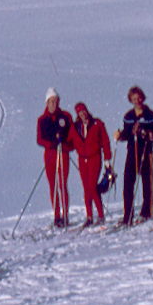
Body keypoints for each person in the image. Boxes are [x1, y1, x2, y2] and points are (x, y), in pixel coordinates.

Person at [114, 86, 153, 225]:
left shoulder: (151, 115)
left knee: (146, 183)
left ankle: (146, 212)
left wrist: (145, 133)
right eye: (134, 99)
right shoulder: (128, 116)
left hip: (146, 152)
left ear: (143, 98)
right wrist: (120, 135)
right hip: (132, 152)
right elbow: (127, 133)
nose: (137, 101)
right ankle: (128, 215)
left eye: (139, 98)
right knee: (128, 183)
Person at [36, 88, 77, 227]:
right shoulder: (42, 119)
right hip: (50, 154)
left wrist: (66, 145)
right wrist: (51, 143)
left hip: (63, 153)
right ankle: (57, 215)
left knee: (62, 184)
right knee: (53, 185)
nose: (54, 104)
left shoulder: (66, 116)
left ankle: (65, 215)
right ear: (47, 102)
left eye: (56, 101)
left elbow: (72, 137)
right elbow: (39, 139)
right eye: (52, 101)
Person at [70, 102, 112, 227]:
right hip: (82, 159)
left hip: (95, 157)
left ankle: (100, 215)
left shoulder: (97, 123)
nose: (82, 114)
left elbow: (105, 141)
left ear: (87, 111)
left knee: (92, 187)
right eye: (79, 112)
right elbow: (69, 140)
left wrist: (107, 158)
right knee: (86, 189)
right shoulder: (75, 127)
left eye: (83, 111)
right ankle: (89, 216)